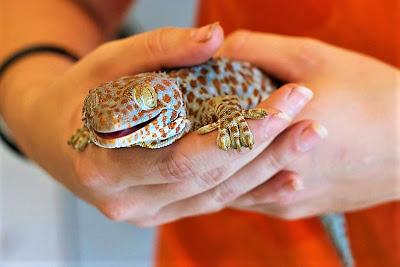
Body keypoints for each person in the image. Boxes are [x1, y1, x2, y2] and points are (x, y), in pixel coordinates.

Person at [0, 0, 398, 266]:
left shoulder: (197, 107)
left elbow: (225, 108)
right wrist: (33, 103)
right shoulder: (135, 112)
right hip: (217, 244)